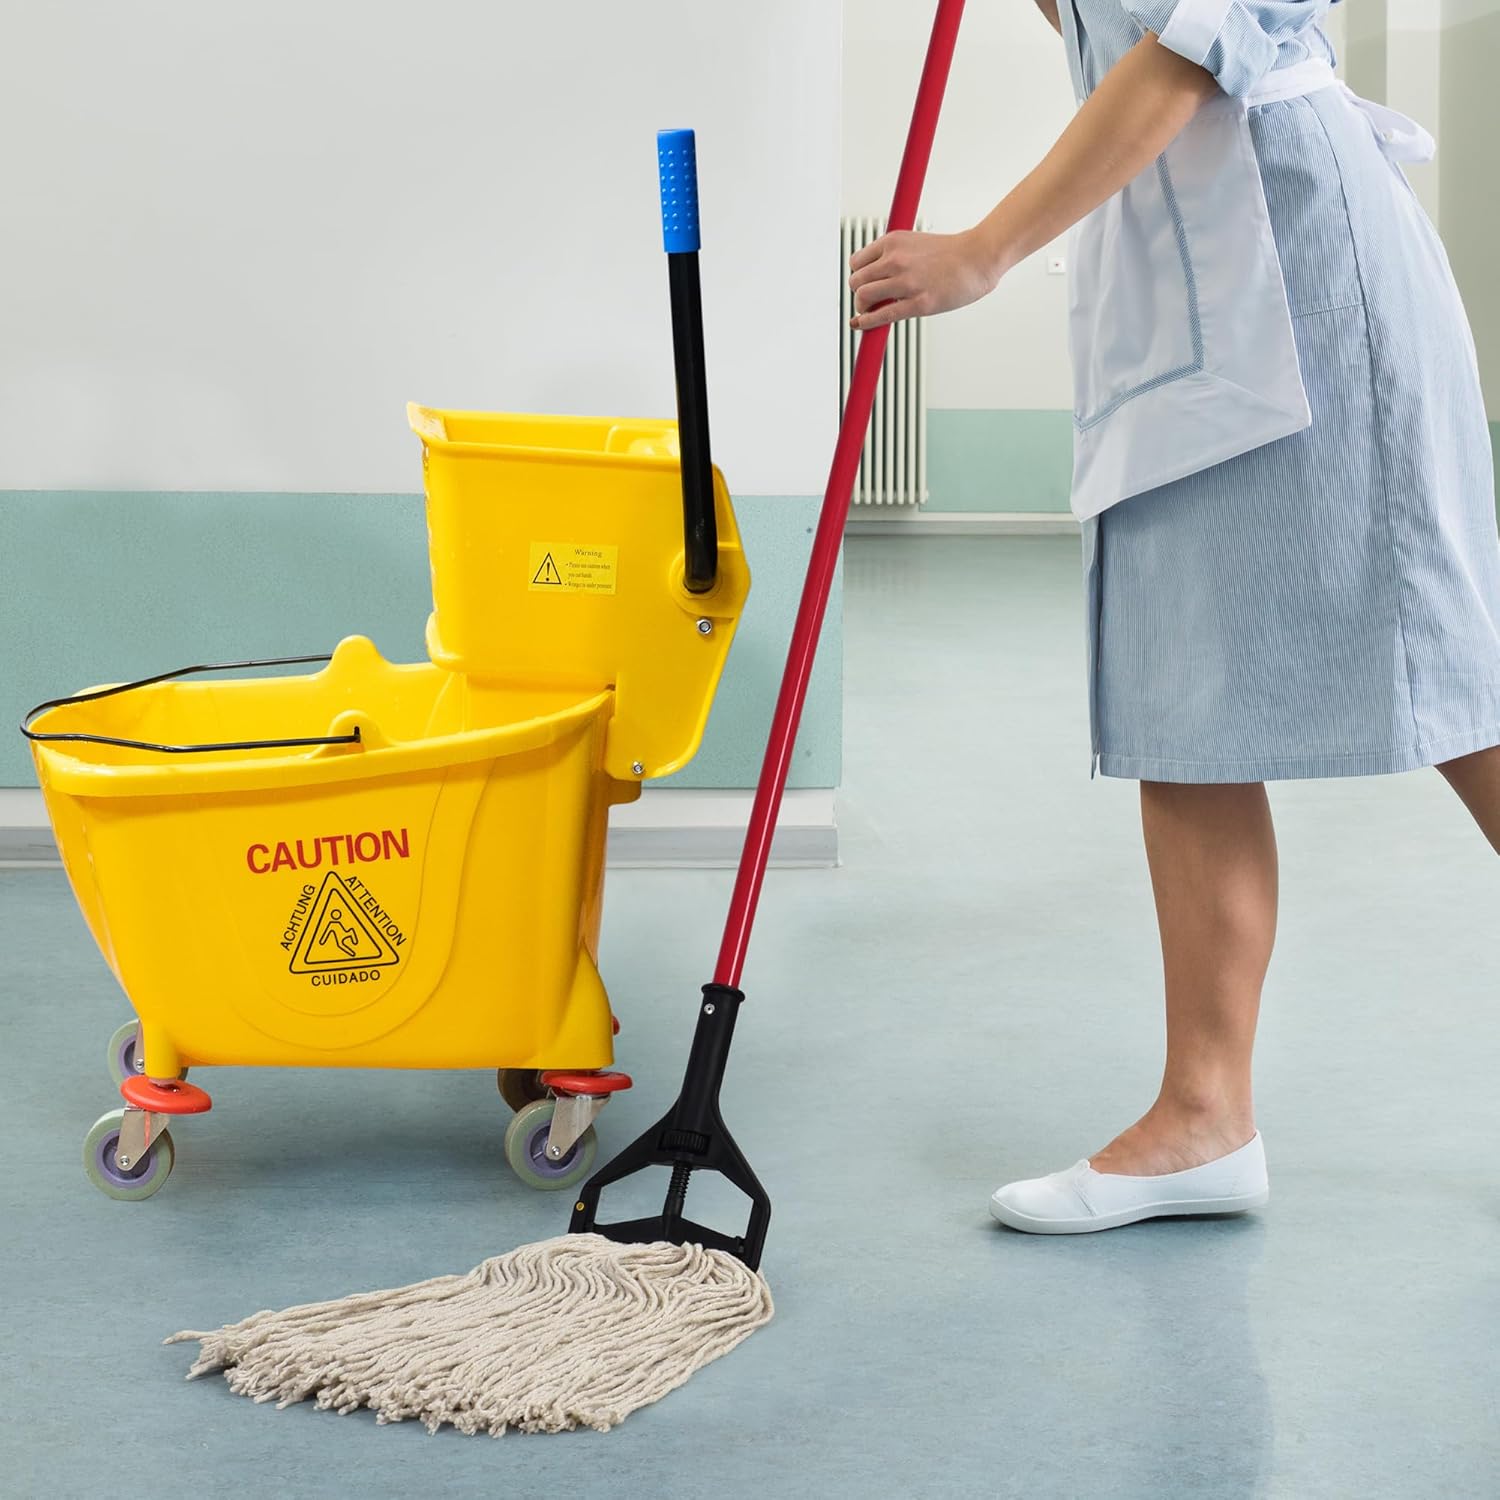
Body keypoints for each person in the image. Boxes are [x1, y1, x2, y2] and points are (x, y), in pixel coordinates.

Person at [849, 0, 1500, 1233]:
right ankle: (1205, 1117)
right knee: (1182, 695)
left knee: (1452, 681)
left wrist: (983, 251)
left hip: (1301, 278)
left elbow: (1192, 49)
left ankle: (1207, 1111)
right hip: (1183, 275)